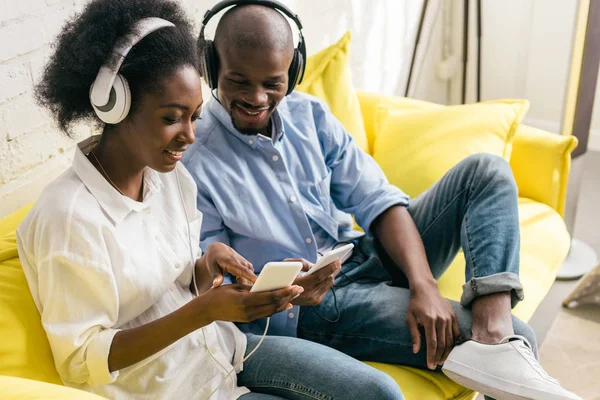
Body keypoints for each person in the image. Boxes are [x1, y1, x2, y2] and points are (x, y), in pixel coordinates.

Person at [183, 2, 581, 399]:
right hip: (312, 306)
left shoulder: (310, 116)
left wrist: (423, 285)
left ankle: (494, 336)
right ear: (212, 67)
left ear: (293, 70)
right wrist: (284, 291)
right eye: (238, 81)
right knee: (524, 335)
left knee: (485, 172)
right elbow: (219, 289)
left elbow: (378, 200)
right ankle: (501, 348)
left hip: (360, 253)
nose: (257, 97)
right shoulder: (193, 157)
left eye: (272, 82)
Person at [16, 0, 405, 399]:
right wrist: (203, 311)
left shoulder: (170, 178)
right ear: (115, 107)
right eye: (171, 118)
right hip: (174, 389)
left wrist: (208, 266)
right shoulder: (69, 218)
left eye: (195, 116)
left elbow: (182, 287)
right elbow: (80, 359)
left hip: (228, 350)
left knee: (379, 392)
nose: (190, 135)